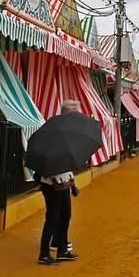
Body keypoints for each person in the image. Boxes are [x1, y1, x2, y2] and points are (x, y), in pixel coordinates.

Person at [37, 100, 82, 266]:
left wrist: (73, 183)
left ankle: (62, 248)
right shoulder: (55, 131)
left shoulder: (68, 132)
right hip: (52, 182)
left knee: (65, 215)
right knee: (53, 218)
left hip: (63, 181)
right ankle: (44, 253)